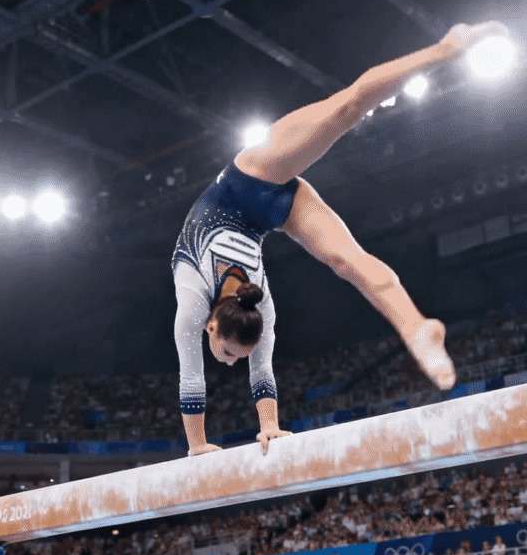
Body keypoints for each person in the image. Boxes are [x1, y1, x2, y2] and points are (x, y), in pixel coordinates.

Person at [172, 22, 507, 455]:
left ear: (212, 326)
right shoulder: (258, 307)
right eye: (236, 355)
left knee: (347, 109)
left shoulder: (192, 299)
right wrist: (269, 426)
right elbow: (262, 367)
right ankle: (417, 327)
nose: (232, 362)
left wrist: (197, 445)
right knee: (346, 261)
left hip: (250, 176)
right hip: (276, 211)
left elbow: (191, 372)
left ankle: (446, 48)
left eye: (228, 352)